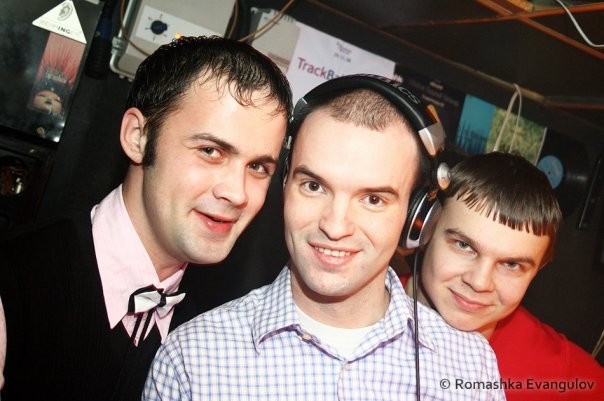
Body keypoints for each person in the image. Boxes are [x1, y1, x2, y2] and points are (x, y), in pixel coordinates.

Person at [143, 75, 505, 400]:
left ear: (415, 216)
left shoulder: (471, 366)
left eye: (373, 199)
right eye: (314, 186)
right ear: (285, 183)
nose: (335, 226)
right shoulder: (191, 360)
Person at [0, 35, 292, 401]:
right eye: (211, 151)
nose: (237, 192)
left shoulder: (221, 334)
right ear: (138, 137)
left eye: (258, 167)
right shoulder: (13, 283)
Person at [401, 151, 604, 401]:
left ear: (537, 272)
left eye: (511, 264)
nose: (479, 282)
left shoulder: (558, 371)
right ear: (424, 231)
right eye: (464, 246)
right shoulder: (359, 309)